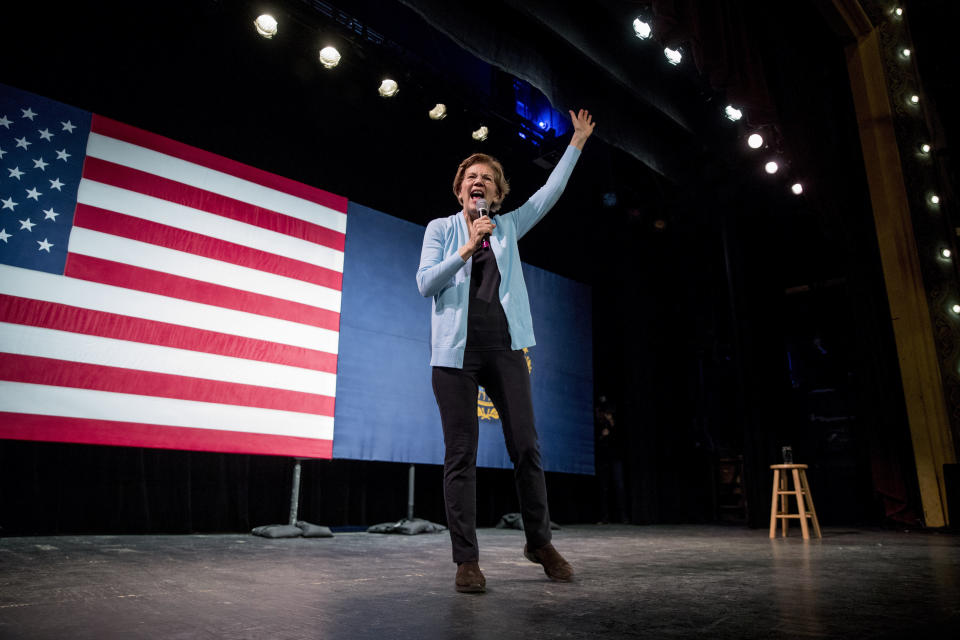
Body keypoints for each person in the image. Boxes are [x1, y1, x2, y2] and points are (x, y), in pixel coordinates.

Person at [417, 108, 596, 593]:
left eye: (488, 179)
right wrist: (465, 248)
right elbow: (423, 284)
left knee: (527, 448)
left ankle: (539, 542)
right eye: (471, 178)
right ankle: (466, 561)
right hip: (454, 357)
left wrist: (576, 142)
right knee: (461, 455)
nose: (479, 182)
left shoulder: (511, 227)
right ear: (461, 191)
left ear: (497, 194)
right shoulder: (441, 230)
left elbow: (550, 193)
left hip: (505, 349)